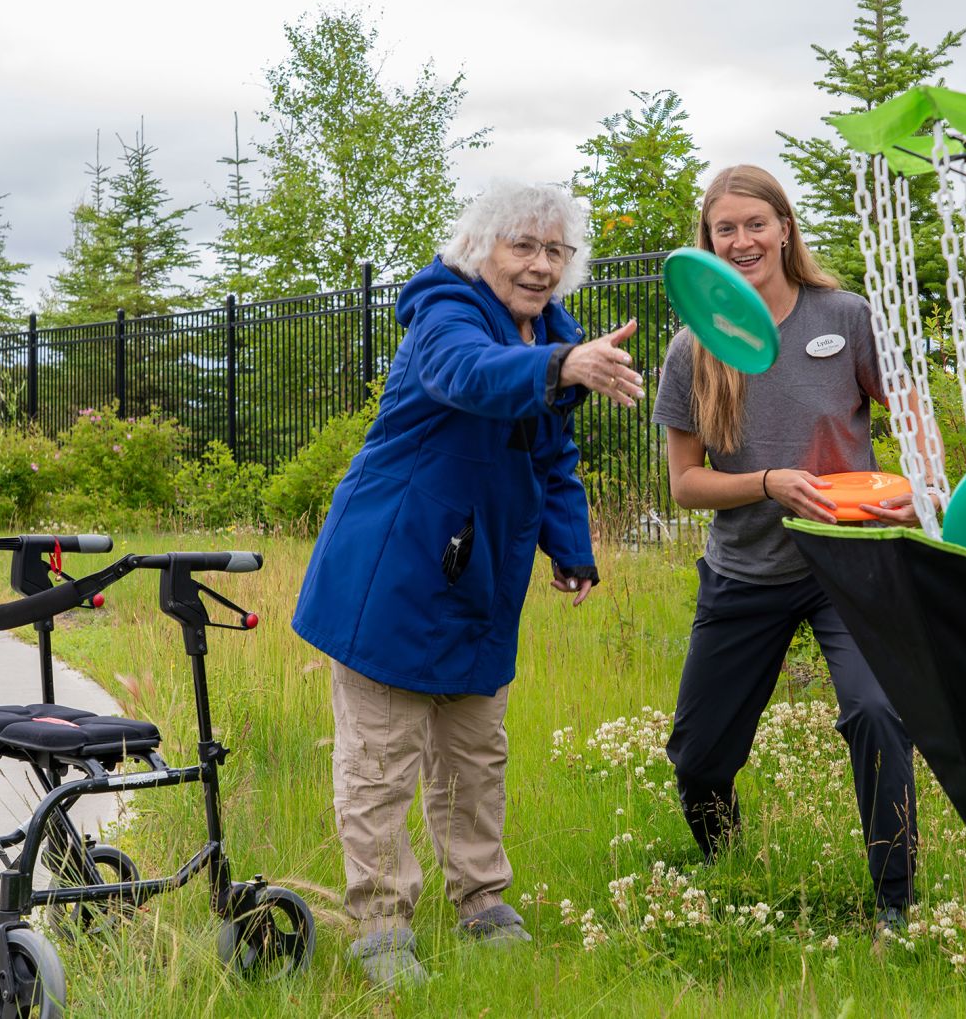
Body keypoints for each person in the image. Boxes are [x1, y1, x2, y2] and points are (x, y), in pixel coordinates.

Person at [292, 181, 645, 987]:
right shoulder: (444, 314)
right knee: (381, 757)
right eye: (523, 245)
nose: (540, 264)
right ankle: (381, 924)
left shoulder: (553, 336)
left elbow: (549, 454)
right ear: (480, 247)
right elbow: (470, 375)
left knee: (476, 752)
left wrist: (572, 545)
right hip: (395, 568)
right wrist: (563, 365)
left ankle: (483, 902)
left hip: (481, 575)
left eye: (555, 250)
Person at [651, 164, 927, 930]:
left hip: (852, 561)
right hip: (746, 571)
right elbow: (685, 484)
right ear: (707, 242)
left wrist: (918, 492)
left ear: (785, 229)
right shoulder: (691, 350)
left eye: (755, 225)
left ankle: (895, 904)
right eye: (724, 229)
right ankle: (727, 865)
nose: (741, 241)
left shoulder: (845, 314)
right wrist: (768, 481)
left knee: (876, 712)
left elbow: (912, 418)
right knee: (699, 757)